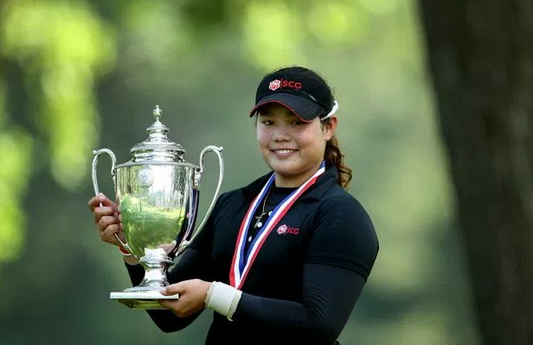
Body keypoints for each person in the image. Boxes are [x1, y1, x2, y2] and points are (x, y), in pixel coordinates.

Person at [89, 66, 379, 345]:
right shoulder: (233, 205)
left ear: (328, 127)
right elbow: (169, 316)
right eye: (268, 122)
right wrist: (132, 247)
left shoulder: (341, 216)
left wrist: (214, 295)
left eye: (296, 122)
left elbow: (318, 326)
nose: (280, 134)